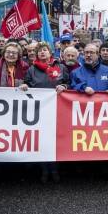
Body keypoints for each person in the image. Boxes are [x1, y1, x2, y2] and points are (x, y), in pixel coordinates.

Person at [20, 42, 69, 183]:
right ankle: (44, 170)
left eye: (44, 50)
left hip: (58, 110)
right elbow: (27, 84)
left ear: (50, 53)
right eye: (39, 51)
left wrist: (64, 86)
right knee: (42, 141)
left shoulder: (61, 67)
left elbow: (69, 83)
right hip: (39, 112)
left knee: (55, 141)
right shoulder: (31, 70)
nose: (42, 53)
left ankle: (55, 169)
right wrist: (24, 86)